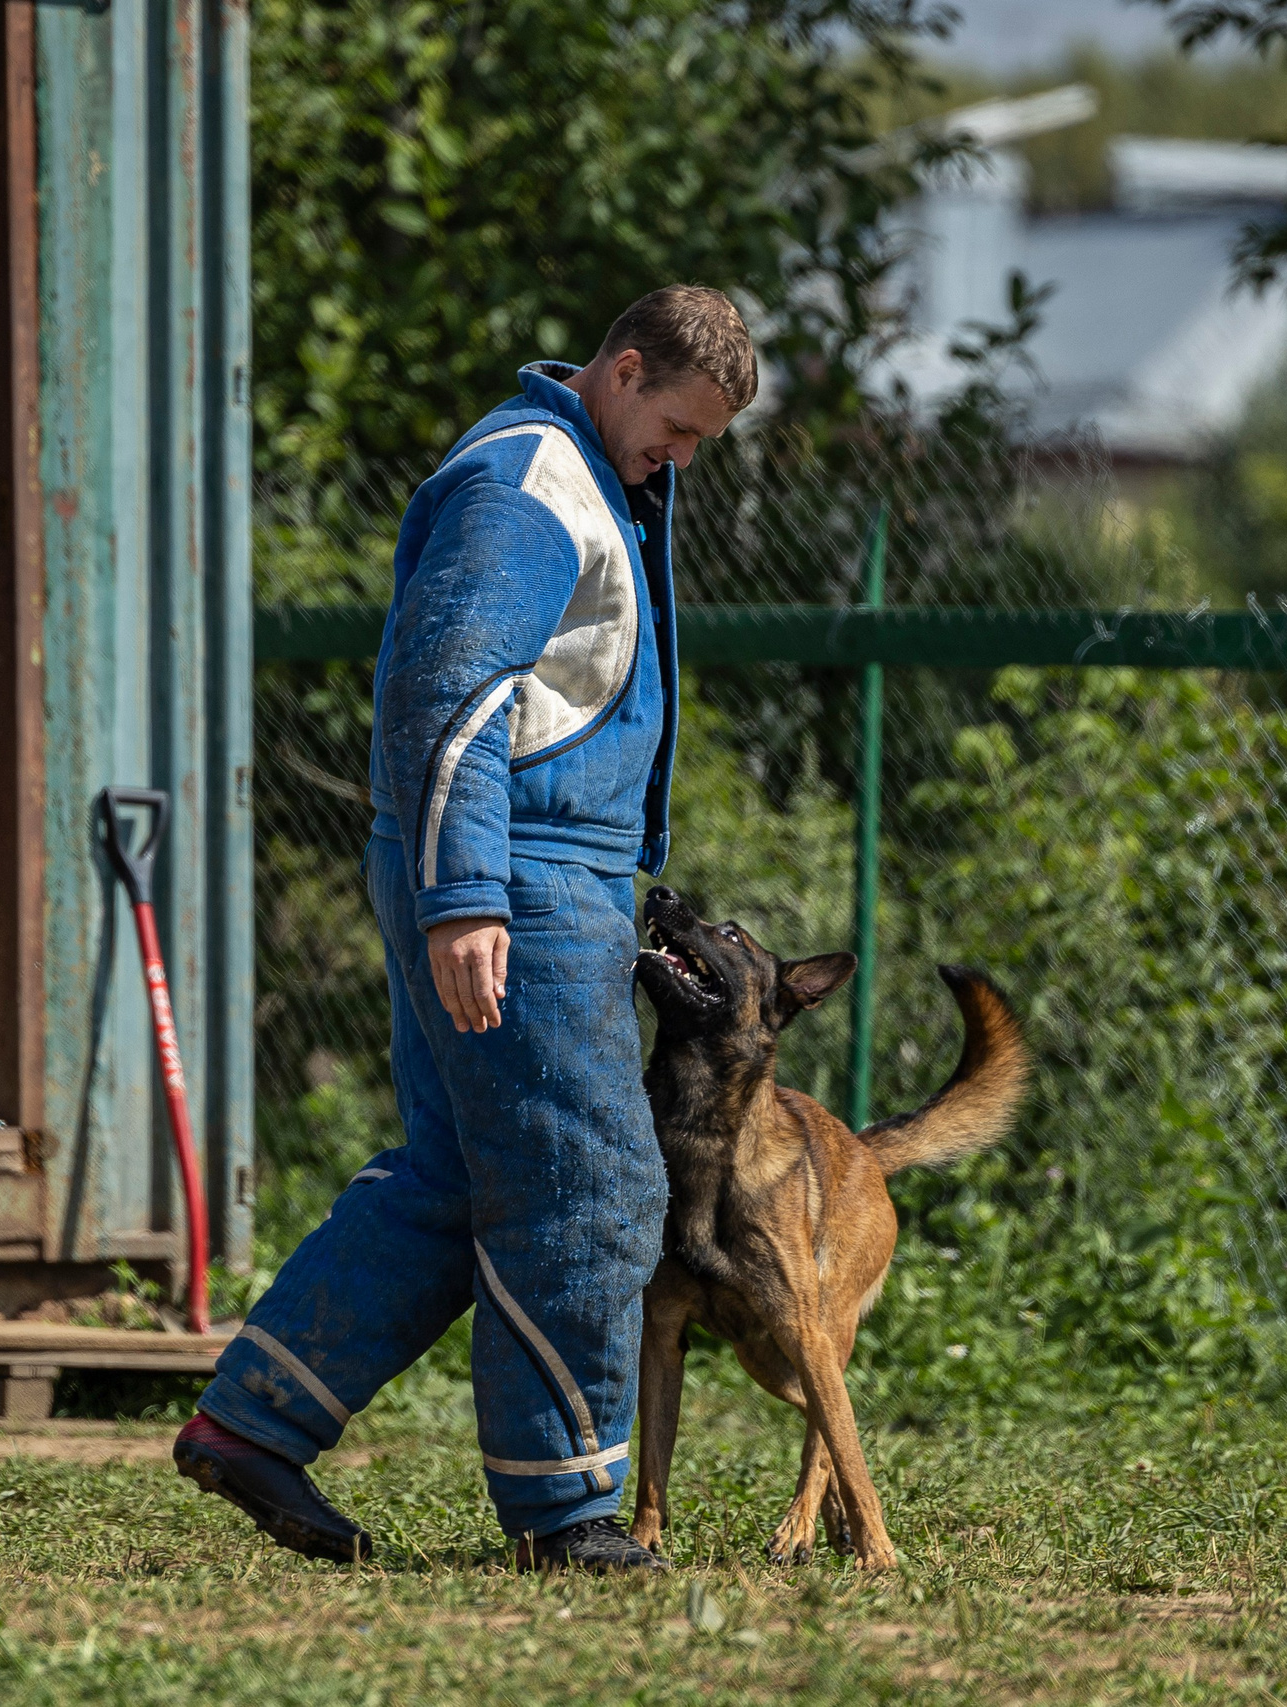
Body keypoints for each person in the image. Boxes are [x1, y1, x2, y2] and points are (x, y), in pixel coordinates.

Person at [176, 285, 756, 1572]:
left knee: (455, 1178)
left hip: (528, 871)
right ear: (619, 370)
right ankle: (566, 1515)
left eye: (701, 441)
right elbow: (448, 690)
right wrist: (468, 898)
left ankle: (252, 1425)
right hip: (520, 878)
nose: (683, 457)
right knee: (588, 1183)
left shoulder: (572, 472)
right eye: (676, 427)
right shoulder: (534, 482)